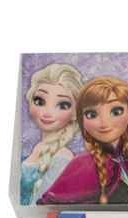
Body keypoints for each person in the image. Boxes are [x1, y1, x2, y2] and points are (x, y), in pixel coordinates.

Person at [38, 76, 128, 205]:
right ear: (82, 121)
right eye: (92, 115)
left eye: (116, 112)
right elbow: (50, 207)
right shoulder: (80, 164)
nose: (104, 123)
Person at [20, 63, 83, 205]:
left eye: (62, 105)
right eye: (40, 101)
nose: (47, 113)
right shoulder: (37, 148)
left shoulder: (62, 156)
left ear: (74, 113)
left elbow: (43, 204)